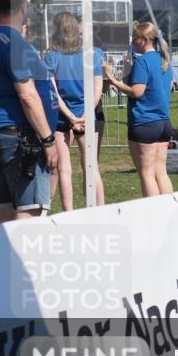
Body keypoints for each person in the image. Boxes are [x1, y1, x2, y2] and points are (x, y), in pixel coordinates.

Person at [0, 0, 59, 221]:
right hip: (18, 136)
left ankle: (0, 248)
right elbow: (27, 95)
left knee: (5, 207)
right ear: (21, 5)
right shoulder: (14, 43)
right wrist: (48, 140)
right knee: (29, 212)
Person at [103, 22, 174, 197]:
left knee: (147, 174)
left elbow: (137, 91)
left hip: (144, 122)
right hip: (163, 122)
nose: (132, 42)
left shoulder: (142, 61)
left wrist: (114, 81)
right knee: (161, 172)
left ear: (145, 40)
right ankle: (169, 209)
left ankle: (153, 211)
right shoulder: (163, 59)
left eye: (135, 38)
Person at [44, 12, 106, 209]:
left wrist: (71, 116)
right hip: (86, 114)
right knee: (91, 167)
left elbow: (53, 92)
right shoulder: (93, 54)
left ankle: (68, 212)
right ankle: (99, 210)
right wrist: (85, 114)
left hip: (61, 117)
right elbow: (98, 88)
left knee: (64, 169)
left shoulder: (50, 56)